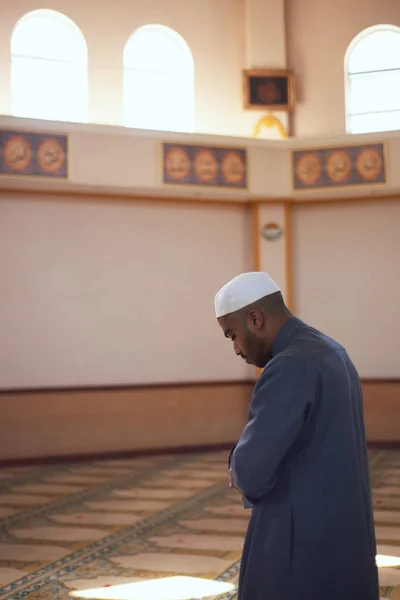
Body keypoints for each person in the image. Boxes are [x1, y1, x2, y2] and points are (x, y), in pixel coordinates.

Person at [214, 271, 379, 600]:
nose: (235, 348)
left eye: (232, 334)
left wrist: (235, 463)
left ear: (255, 318)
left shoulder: (290, 365)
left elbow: (251, 470)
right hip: (345, 530)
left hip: (298, 541)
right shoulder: (331, 351)